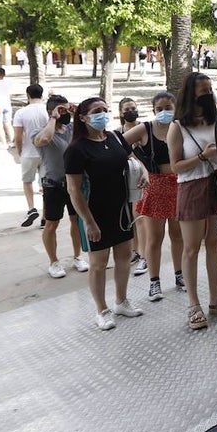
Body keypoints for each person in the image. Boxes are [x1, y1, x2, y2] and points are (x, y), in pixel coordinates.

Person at [64, 96, 144, 330]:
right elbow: (74, 190)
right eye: (97, 111)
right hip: (94, 213)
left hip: (121, 209)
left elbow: (131, 157)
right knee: (98, 264)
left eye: (105, 110)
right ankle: (101, 310)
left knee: (123, 258)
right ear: (83, 117)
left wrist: (145, 173)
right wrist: (88, 222)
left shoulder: (115, 137)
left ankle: (121, 301)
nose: (103, 114)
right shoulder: (76, 149)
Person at [167, 72, 217, 330]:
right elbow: (175, 167)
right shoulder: (178, 126)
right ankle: (193, 304)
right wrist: (203, 157)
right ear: (190, 93)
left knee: (215, 243)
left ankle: (214, 299)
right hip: (192, 188)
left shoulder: (216, 121)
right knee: (192, 248)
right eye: (202, 89)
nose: (208, 93)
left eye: (210, 88)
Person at [123, 91, 185, 303]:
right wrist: (140, 167)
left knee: (178, 235)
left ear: (176, 108)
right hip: (155, 187)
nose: (164, 112)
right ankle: (154, 281)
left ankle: (180, 275)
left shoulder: (181, 127)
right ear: (153, 110)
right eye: (159, 109)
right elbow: (120, 144)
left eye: (169, 108)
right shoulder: (146, 128)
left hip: (179, 186)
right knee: (154, 238)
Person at [32, 94, 87, 278]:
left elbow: (92, 129)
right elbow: (44, 141)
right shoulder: (40, 132)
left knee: (76, 221)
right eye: (60, 109)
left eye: (66, 109)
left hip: (75, 183)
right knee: (51, 223)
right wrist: (54, 118)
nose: (65, 113)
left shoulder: (72, 128)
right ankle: (53, 262)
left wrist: (78, 111)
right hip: (53, 184)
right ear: (50, 111)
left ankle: (77, 256)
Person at [117, 97, 149, 276]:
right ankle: (137, 251)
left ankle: (145, 257)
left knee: (140, 216)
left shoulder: (145, 129)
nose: (131, 111)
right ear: (121, 113)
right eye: (127, 109)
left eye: (133, 108)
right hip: (127, 177)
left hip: (144, 177)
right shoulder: (118, 133)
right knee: (132, 218)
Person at [13, 83, 47, 227]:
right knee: (46, 184)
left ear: (28, 95)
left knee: (27, 181)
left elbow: (18, 135)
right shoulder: (47, 110)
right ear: (42, 94)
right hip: (46, 151)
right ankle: (46, 215)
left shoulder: (21, 113)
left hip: (28, 151)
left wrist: (19, 150)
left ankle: (31, 208)